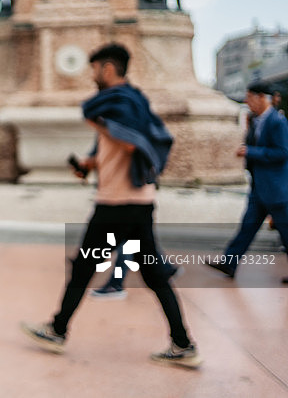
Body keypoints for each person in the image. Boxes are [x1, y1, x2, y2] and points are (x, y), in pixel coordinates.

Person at [22, 43, 202, 368]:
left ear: (107, 68)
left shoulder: (125, 102)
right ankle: (183, 344)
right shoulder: (126, 104)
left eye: (94, 69)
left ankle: (58, 330)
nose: (92, 76)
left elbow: (134, 143)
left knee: (83, 268)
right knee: (154, 275)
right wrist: (88, 164)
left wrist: (99, 123)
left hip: (117, 205)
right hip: (137, 204)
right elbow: (114, 146)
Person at [206, 81, 288, 283]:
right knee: (247, 227)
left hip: (276, 188)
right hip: (259, 187)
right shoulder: (255, 119)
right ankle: (229, 263)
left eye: (250, 97)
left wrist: (251, 152)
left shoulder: (277, 122)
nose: (247, 101)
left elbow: (283, 152)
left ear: (262, 98)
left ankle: (229, 262)